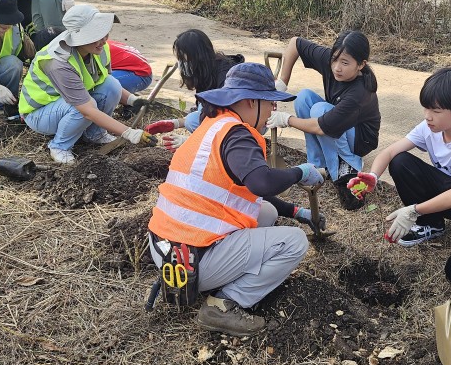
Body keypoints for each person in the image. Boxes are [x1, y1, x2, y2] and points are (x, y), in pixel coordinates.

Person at [148, 63, 323, 336]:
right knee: (294, 242)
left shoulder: (213, 126)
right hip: (194, 259)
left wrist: (296, 211)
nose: (272, 112)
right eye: (270, 105)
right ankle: (224, 304)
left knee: (265, 212)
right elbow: (261, 181)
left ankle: (215, 277)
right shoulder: (237, 135)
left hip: (167, 251)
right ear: (251, 101)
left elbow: (243, 193)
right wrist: (300, 172)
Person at [346, 67, 451, 248]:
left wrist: (413, 211)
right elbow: (389, 152)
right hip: (447, 193)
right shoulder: (428, 127)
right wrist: (373, 176)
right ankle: (431, 224)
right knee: (400, 161)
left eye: (436, 111)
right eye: (426, 108)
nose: (427, 116)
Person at [19, 5, 155, 164]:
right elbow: (87, 110)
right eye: (96, 35)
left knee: (112, 85)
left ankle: (95, 134)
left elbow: (106, 80)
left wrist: (132, 100)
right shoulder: (58, 62)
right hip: (39, 113)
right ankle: (59, 146)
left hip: (67, 103)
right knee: (80, 107)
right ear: (79, 37)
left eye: (104, 33)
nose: (104, 40)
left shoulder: (98, 47)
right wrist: (129, 133)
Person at [269, 31, 381, 211]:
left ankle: (346, 165)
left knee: (319, 111)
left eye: (345, 63)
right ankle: (317, 165)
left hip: (360, 139)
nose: (337, 67)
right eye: (335, 60)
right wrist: (282, 82)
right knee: (303, 97)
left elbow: (321, 127)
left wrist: (286, 119)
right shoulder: (331, 62)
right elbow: (295, 43)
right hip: (337, 122)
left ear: (361, 65)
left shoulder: (360, 93)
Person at [145, 29, 243, 149]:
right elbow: (204, 110)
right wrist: (175, 123)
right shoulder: (206, 72)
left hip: (240, 121)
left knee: (192, 120)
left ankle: (215, 146)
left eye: (184, 59)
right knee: (192, 117)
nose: (182, 64)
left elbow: (224, 115)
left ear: (197, 56)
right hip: (224, 117)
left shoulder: (226, 75)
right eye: (180, 59)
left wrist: (192, 141)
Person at [31, 27, 153, 93]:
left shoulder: (93, 48)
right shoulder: (89, 45)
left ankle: (128, 101)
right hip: (135, 68)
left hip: (139, 74)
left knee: (100, 87)